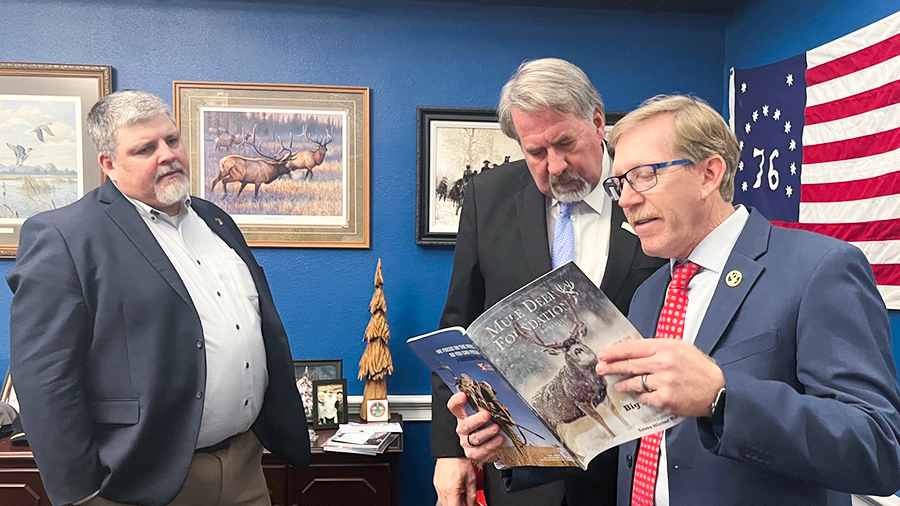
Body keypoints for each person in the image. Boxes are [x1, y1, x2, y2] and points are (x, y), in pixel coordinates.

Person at [456, 93, 900, 506]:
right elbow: (625, 438)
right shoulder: (650, 296)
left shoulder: (819, 269)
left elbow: (879, 449)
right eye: (618, 184)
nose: (626, 200)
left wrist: (722, 398)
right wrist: (513, 441)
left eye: (643, 176)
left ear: (709, 173)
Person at [7, 90, 310, 506]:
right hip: (144, 480)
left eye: (172, 140)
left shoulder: (215, 219)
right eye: (145, 148)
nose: (167, 155)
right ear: (109, 164)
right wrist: (81, 496)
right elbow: (45, 379)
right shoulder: (65, 237)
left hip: (245, 466)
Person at [432, 58, 665, 506]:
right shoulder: (488, 196)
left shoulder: (650, 188)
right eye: (536, 152)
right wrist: (449, 452)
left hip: (635, 466)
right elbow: (459, 325)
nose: (555, 166)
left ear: (598, 122)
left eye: (565, 143)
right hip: (522, 471)